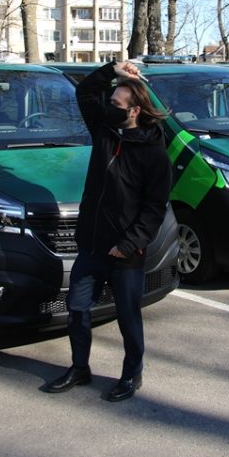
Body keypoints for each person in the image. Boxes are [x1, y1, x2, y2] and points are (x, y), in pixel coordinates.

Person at [43, 60, 172, 402]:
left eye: (116, 103)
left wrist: (129, 244)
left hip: (125, 252)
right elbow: (85, 91)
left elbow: (154, 208)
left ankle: (132, 375)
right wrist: (115, 70)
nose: (109, 107)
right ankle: (79, 368)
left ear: (136, 111)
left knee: (128, 317)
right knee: (78, 308)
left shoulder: (154, 154)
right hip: (91, 245)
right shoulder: (104, 130)